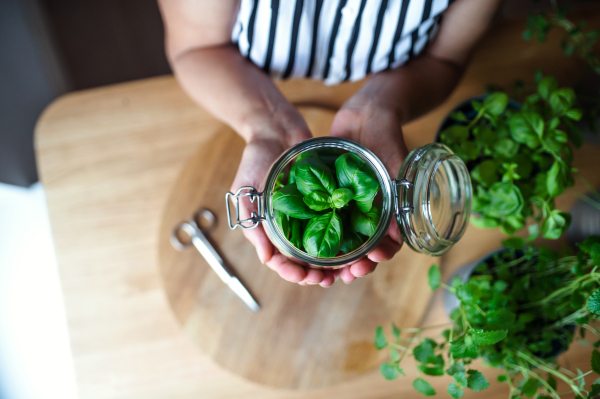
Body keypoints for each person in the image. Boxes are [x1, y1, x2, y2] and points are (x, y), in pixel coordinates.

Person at [158, 0, 502, 287]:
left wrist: (381, 106)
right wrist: (264, 123)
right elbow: (195, 49)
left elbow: (445, 59)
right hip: (249, 86)